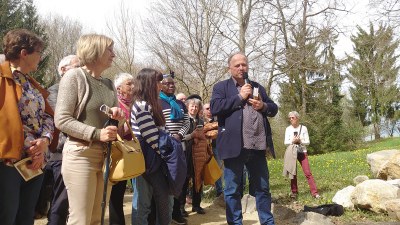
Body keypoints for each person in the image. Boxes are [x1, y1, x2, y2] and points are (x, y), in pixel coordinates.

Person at [54, 34, 125, 225]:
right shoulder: (74, 76)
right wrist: (96, 133)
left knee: (96, 218)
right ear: (95, 50)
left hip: (105, 156)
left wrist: (118, 116)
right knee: (81, 219)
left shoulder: (109, 84)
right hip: (80, 154)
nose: (114, 54)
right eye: (109, 50)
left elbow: (112, 120)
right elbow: (62, 119)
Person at [210, 52, 277, 225]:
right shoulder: (221, 87)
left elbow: (274, 108)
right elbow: (216, 108)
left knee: (263, 188)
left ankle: (267, 222)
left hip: (257, 146)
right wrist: (240, 97)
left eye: (244, 65)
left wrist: (263, 106)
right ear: (230, 68)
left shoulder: (257, 86)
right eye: (237, 65)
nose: (241, 68)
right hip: (235, 147)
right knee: (232, 190)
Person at [0, 28, 55, 225]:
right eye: (38, 52)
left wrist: (45, 141)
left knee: (26, 217)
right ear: (24, 53)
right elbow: (5, 120)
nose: (41, 57)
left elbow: (48, 116)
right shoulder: (2, 78)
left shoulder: (33, 84)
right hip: (9, 160)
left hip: (35, 161)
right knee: (7, 216)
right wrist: (31, 145)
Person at [130, 68, 171, 225]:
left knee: (162, 201)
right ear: (148, 83)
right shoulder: (141, 106)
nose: (161, 85)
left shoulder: (151, 104)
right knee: (143, 205)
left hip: (154, 159)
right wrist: (169, 154)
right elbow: (152, 138)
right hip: (146, 160)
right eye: (158, 82)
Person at [46, 55, 80, 225]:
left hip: (76, 152)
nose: (81, 70)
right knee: (60, 201)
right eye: (77, 66)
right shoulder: (53, 92)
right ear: (63, 70)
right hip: (59, 154)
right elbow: (63, 120)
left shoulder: (80, 91)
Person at [159, 74, 190, 225]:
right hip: (165, 146)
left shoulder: (180, 103)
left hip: (180, 144)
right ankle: (166, 214)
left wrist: (179, 135)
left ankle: (177, 212)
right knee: (166, 179)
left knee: (179, 179)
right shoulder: (157, 102)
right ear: (161, 85)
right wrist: (169, 136)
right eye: (167, 84)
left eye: (173, 84)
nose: (171, 86)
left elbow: (187, 122)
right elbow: (158, 123)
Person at [110, 72, 134, 225]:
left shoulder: (133, 105)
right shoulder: (115, 104)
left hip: (130, 154)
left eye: (133, 83)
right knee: (114, 197)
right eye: (129, 84)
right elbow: (112, 131)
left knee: (118, 196)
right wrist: (128, 124)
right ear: (118, 89)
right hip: (116, 154)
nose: (133, 86)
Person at [180, 96, 209, 216]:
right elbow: (180, 137)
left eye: (196, 106)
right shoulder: (183, 120)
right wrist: (192, 135)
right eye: (192, 106)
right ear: (187, 107)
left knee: (198, 179)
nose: (194, 108)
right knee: (184, 180)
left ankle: (196, 205)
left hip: (198, 155)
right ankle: (181, 207)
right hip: (186, 153)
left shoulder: (201, 121)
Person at [283, 111, 320, 199]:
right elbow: (285, 142)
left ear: (297, 118)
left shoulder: (303, 128)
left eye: (293, 117)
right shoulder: (288, 129)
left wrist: (300, 141)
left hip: (302, 152)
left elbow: (308, 142)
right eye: (290, 118)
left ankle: (315, 193)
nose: (291, 119)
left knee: (307, 172)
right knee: (293, 173)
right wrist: (292, 141)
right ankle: (294, 192)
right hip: (292, 152)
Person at [202, 103, 223, 198]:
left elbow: (222, 130)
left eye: (211, 108)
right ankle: (198, 193)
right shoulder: (200, 121)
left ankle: (219, 191)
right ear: (203, 110)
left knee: (217, 169)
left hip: (216, 147)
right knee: (202, 169)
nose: (209, 110)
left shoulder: (218, 120)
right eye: (207, 108)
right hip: (203, 148)